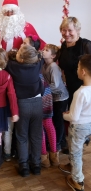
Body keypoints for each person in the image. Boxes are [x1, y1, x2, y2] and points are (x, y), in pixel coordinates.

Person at [6, 44, 44, 177]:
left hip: (22, 104)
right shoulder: (37, 65)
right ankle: (36, 165)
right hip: (38, 103)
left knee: (22, 136)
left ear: (20, 59)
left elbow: (7, 59)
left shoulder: (13, 66)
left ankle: (24, 166)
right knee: (36, 135)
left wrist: (12, 53)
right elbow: (41, 56)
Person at [23, 36, 58, 168]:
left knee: (39, 128)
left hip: (39, 93)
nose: (22, 45)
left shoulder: (29, 57)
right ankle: (54, 156)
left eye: (25, 43)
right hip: (46, 92)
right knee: (48, 124)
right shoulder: (40, 58)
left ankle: (44, 157)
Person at [58, 54, 91, 191]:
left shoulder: (80, 93)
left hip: (78, 127)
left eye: (78, 67)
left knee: (75, 152)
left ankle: (78, 180)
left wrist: (63, 115)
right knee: (77, 149)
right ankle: (72, 165)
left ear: (83, 72)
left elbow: (74, 117)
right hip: (88, 126)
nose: (77, 69)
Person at [58, 16, 91, 152]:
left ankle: (79, 147)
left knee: (82, 120)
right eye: (63, 30)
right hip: (70, 89)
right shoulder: (64, 46)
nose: (66, 33)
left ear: (77, 30)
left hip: (85, 89)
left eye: (70, 30)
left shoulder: (86, 45)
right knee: (74, 118)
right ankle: (75, 146)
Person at [42, 44, 69, 158]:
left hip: (60, 98)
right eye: (44, 49)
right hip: (53, 97)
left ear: (53, 56)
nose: (43, 51)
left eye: (46, 50)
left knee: (58, 121)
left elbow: (56, 85)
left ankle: (57, 143)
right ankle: (59, 141)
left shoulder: (53, 66)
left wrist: (43, 90)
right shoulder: (44, 65)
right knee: (54, 120)